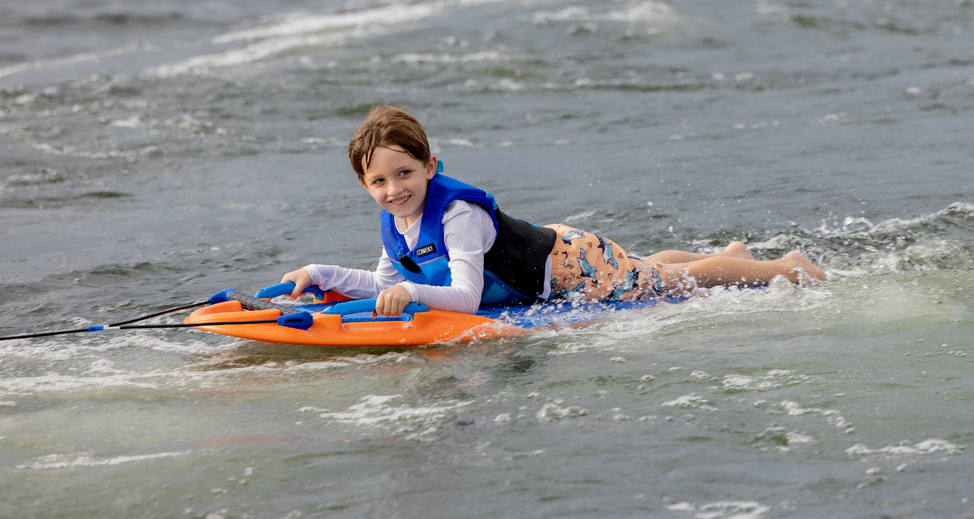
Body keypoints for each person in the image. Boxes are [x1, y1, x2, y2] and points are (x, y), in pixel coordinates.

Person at [282, 106, 826, 316]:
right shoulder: (397, 223)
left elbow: (466, 298)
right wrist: (320, 274)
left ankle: (785, 268)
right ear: (364, 184)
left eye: (404, 173)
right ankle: (732, 255)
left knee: (672, 281)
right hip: (566, 260)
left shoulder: (456, 216)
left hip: (568, 265)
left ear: (430, 165)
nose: (394, 189)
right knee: (650, 270)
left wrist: (414, 293)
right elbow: (383, 283)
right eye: (379, 180)